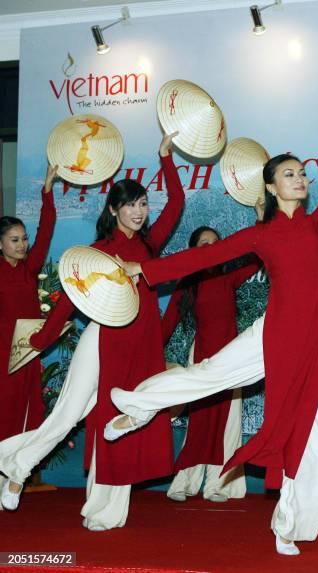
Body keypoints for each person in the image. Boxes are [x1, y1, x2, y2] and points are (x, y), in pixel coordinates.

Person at [105, 90, 318, 555]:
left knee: (314, 436)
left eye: (302, 173)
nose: (300, 179)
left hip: (315, 347)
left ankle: (289, 525)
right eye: (289, 174)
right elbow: (205, 257)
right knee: (210, 374)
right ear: (270, 187)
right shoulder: (261, 235)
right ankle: (140, 405)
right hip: (273, 335)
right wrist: (147, 269)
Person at [0, 132, 184, 531]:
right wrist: (41, 339)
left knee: (120, 423)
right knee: (69, 413)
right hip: (103, 340)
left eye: (143, 203)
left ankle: (105, 509)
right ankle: (17, 468)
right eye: (131, 205)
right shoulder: (98, 251)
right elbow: (69, 300)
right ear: (114, 209)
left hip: (142, 344)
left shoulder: (150, 248)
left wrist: (166, 158)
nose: (140, 211)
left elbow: (178, 204)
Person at [163, 222, 262, 503]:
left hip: (232, 359)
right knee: (200, 422)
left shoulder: (229, 276)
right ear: (193, 251)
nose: (211, 247)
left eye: (216, 242)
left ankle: (219, 485)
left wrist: (259, 221)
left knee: (228, 422)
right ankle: (186, 482)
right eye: (204, 243)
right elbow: (167, 322)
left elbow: (258, 258)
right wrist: (148, 354)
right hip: (201, 358)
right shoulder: (188, 284)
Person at [0, 165, 57, 445]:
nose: (22, 244)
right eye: (14, 240)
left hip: (27, 352)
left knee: (29, 409)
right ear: (0, 244)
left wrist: (47, 191)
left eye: (23, 239)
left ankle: (16, 472)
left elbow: (45, 232)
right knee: (5, 410)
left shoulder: (29, 268)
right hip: (2, 354)